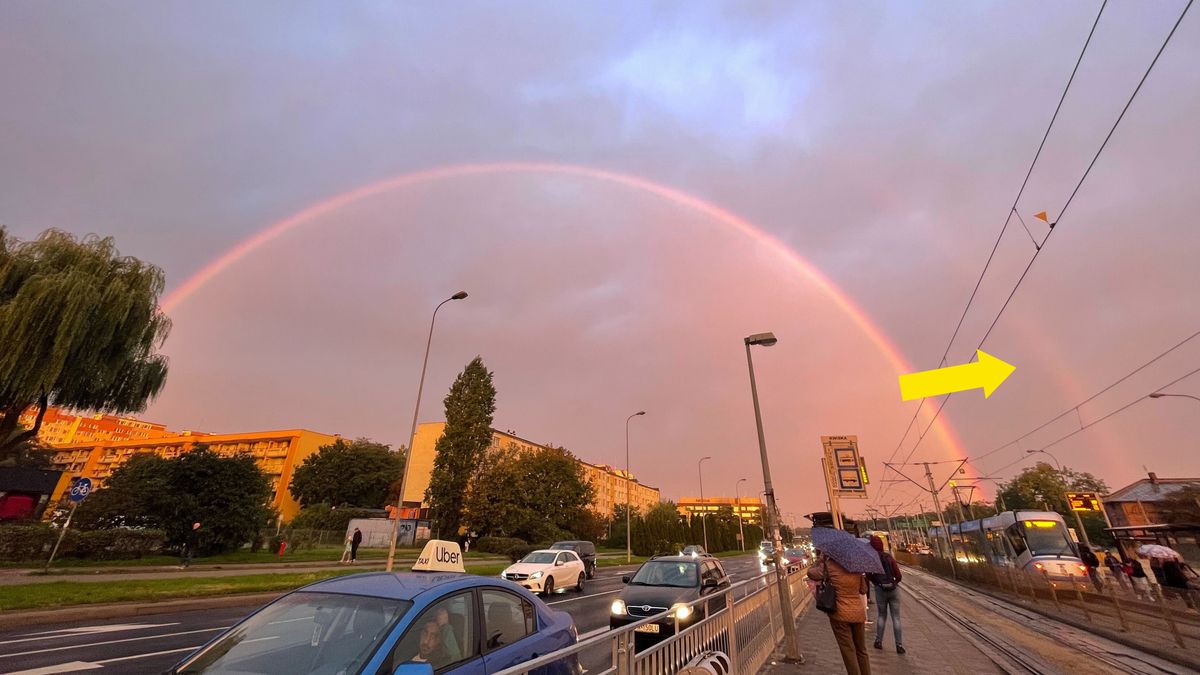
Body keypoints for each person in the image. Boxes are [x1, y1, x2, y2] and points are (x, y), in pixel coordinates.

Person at [808, 550, 872, 675]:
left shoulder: (829, 566)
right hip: (858, 613)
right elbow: (863, 590)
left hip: (840, 615)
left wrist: (821, 560)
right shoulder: (855, 567)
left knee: (848, 650)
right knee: (861, 650)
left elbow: (810, 573)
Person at [868, 535, 904, 654]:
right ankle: (899, 645)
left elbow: (869, 576)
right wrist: (894, 583)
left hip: (880, 590)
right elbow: (898, 575)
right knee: (896, 618)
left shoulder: (872, 559)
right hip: (893, 590)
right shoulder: (889, 558)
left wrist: (877, 584)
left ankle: (878, 641)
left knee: (882, 616)